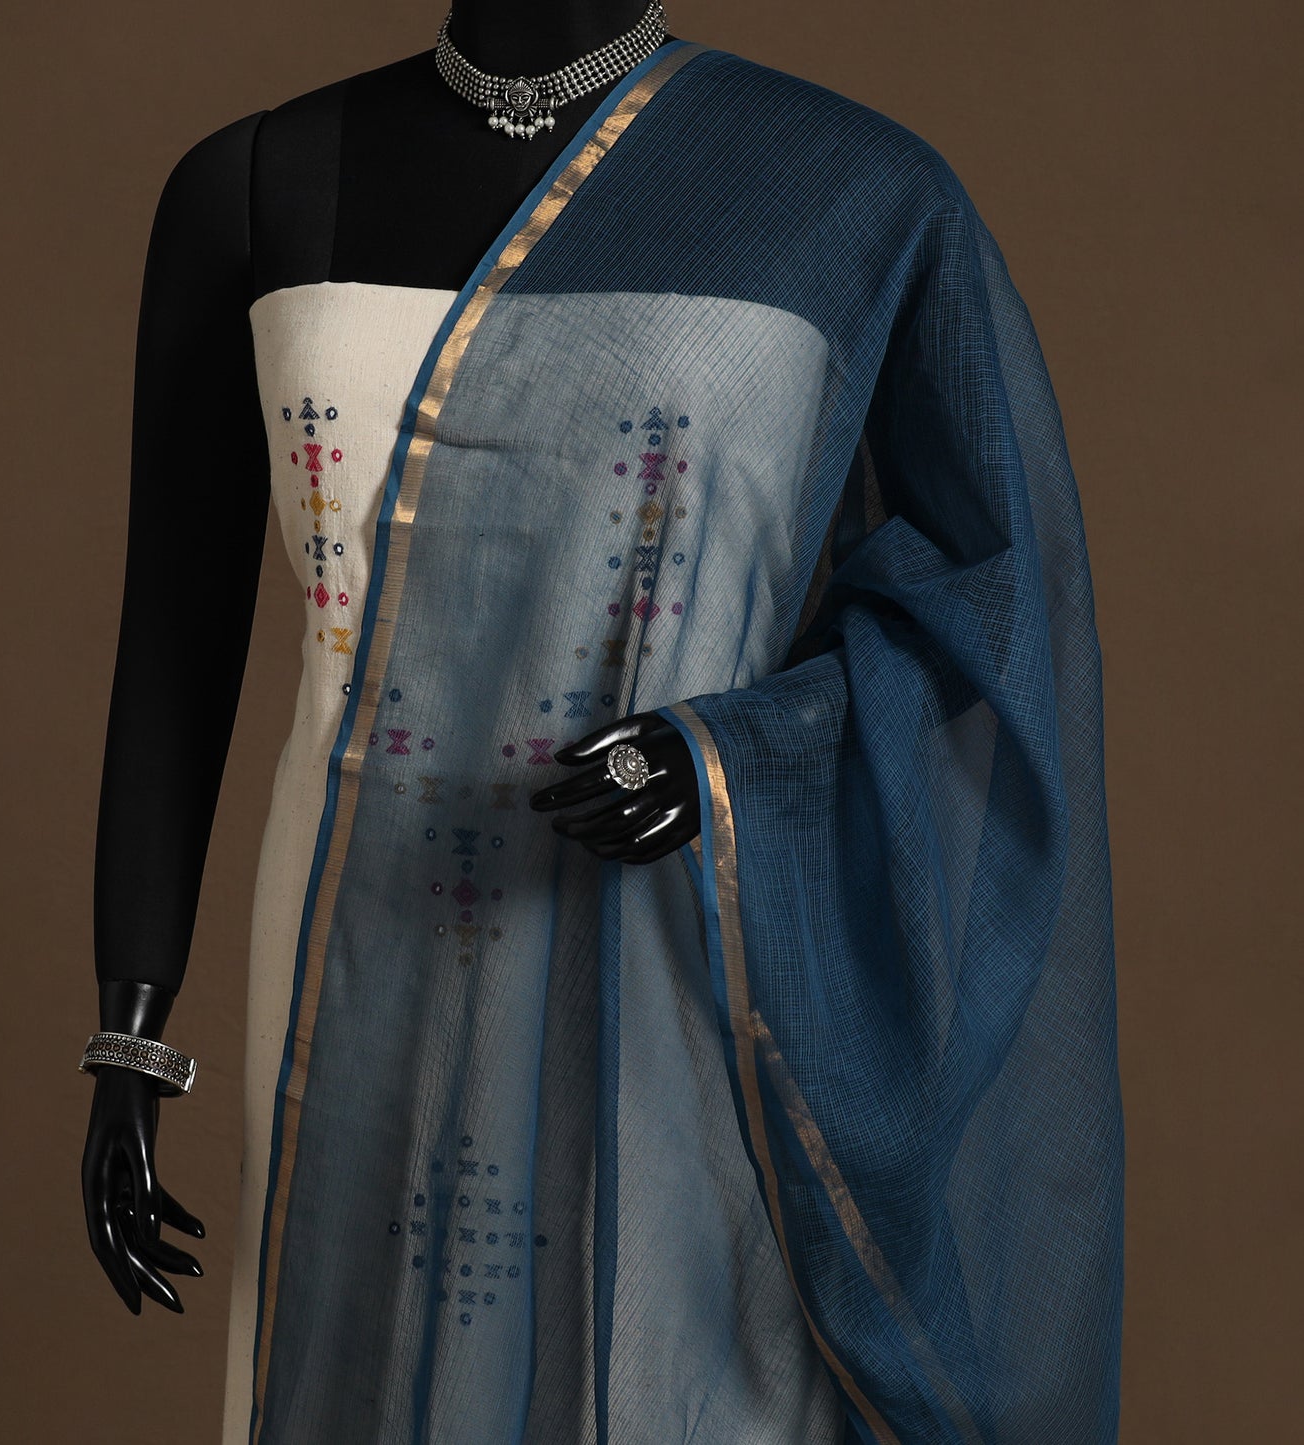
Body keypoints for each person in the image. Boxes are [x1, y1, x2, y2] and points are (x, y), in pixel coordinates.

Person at [80, 6, 1125, 1442]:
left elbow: (985, 610)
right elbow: (175, 632)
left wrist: (725, 757)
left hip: (678, 942)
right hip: (344, 942)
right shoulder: (256, 179)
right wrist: (129, 1033)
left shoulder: (852, 192)